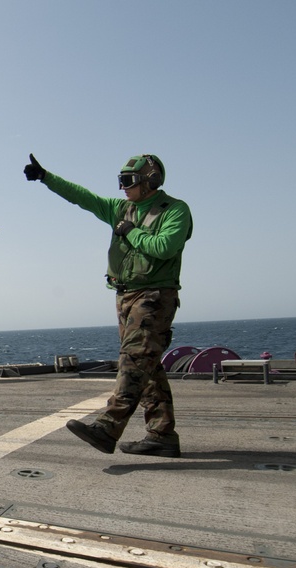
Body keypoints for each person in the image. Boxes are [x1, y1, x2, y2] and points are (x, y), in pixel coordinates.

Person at [24, 153, 193, 457]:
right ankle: (162, 435)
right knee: (147, 366)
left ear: (151, 181)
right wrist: (46, 177)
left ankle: (107, 427)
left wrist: (130, 231)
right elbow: (83, 198)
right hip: (124, 296)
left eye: (128, 181)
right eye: (120, 181)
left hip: (154, 296)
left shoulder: (175, 211)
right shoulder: (120, 208)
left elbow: (165, 248)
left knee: (134, 361)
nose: (122, 188)